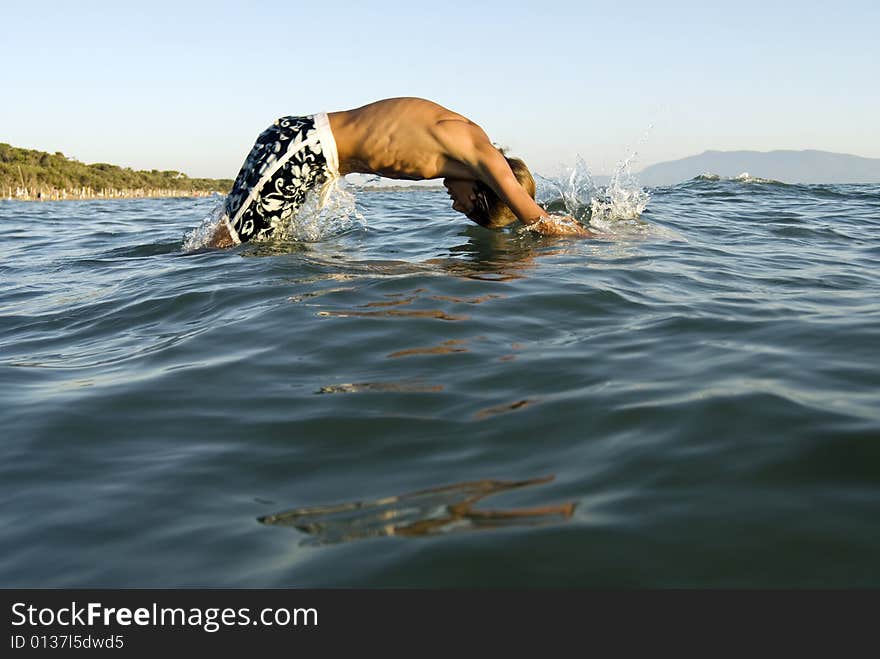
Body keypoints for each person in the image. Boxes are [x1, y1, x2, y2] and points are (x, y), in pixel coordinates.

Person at [207, 97, 591, 248]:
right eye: (470, 210)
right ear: (483, 190)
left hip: (312, 158)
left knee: (248, 242)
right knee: (225, 245)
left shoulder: (466, 149)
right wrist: (597, 239)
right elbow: (538, 219)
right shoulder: (479, 152)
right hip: (304, 147)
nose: (457, 209)